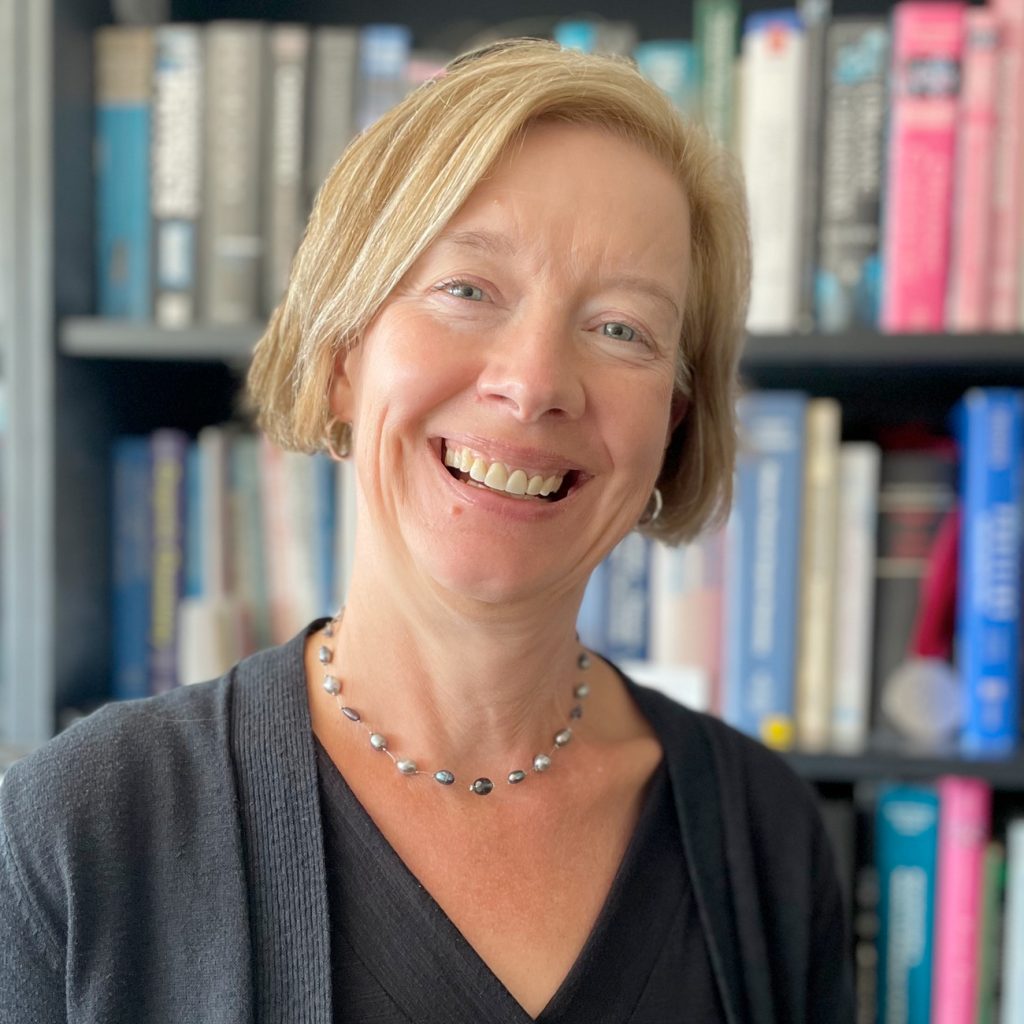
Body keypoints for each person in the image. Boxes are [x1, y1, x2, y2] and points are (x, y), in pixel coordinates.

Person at [0, 38, 853, 1023]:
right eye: (467, 288)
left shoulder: (766, 841)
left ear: (670, 422)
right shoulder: (78, 830)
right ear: (341, 354)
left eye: (621, 327)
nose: (534, 383)